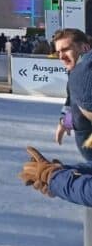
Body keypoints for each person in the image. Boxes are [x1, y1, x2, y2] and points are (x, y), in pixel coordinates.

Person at [53, 28, 92, 160]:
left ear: (85, 48)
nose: (61, 56)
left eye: (65, 49)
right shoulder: (74, 71)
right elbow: (72, 101)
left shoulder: (86, 70)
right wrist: (66, 122)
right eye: (58, 51)